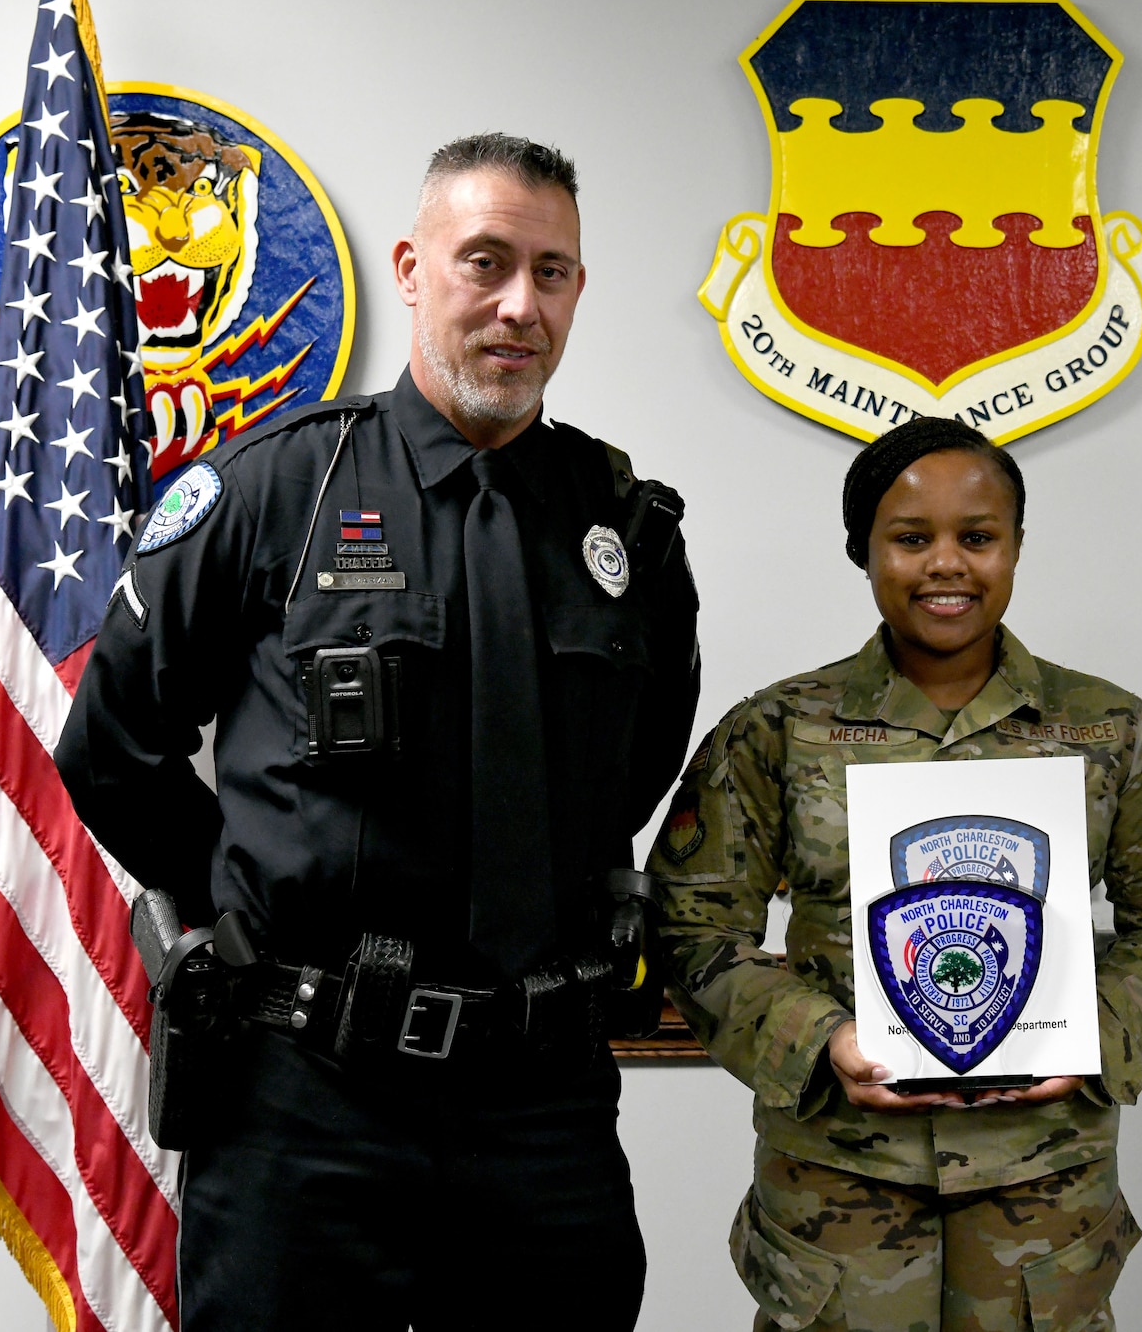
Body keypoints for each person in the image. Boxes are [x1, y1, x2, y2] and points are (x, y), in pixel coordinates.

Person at [55, 133, 699, 1330]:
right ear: (410, 267)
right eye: (485, 262)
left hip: (540, 1105)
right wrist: (248, 904)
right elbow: (113, 741)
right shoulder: (275, 491)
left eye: (550, 273)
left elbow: (634, 760)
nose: (519, 305)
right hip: (308, 1098)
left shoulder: (629, 535)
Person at [650, 417, 1142, 1332]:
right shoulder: (776, 729)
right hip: (837, 1191)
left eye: (979, 536)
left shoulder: (1119, 732)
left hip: (1044, 1198)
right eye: (911, 539)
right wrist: (819, 1037)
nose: (947, 564)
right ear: (864, 551)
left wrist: (1091, 1034)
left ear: (1017, 545)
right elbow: (694, 928)